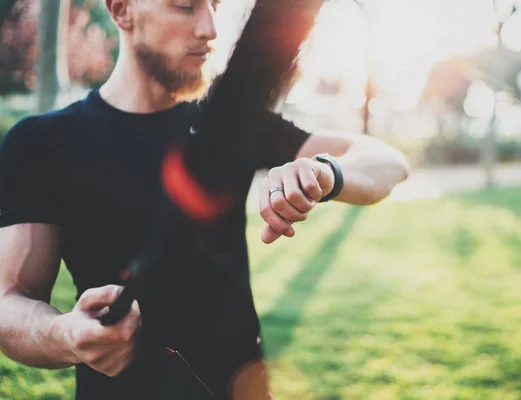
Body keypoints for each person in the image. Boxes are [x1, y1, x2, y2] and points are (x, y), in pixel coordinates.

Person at [0, 0, 409, 399]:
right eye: (185, 6)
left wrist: (325, 172)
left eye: (215, 6)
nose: (210, 29)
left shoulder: (228, 125)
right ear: (122, 10)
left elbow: (388, 163)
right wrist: (65, 335)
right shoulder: (43, 143)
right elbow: (10, 300)